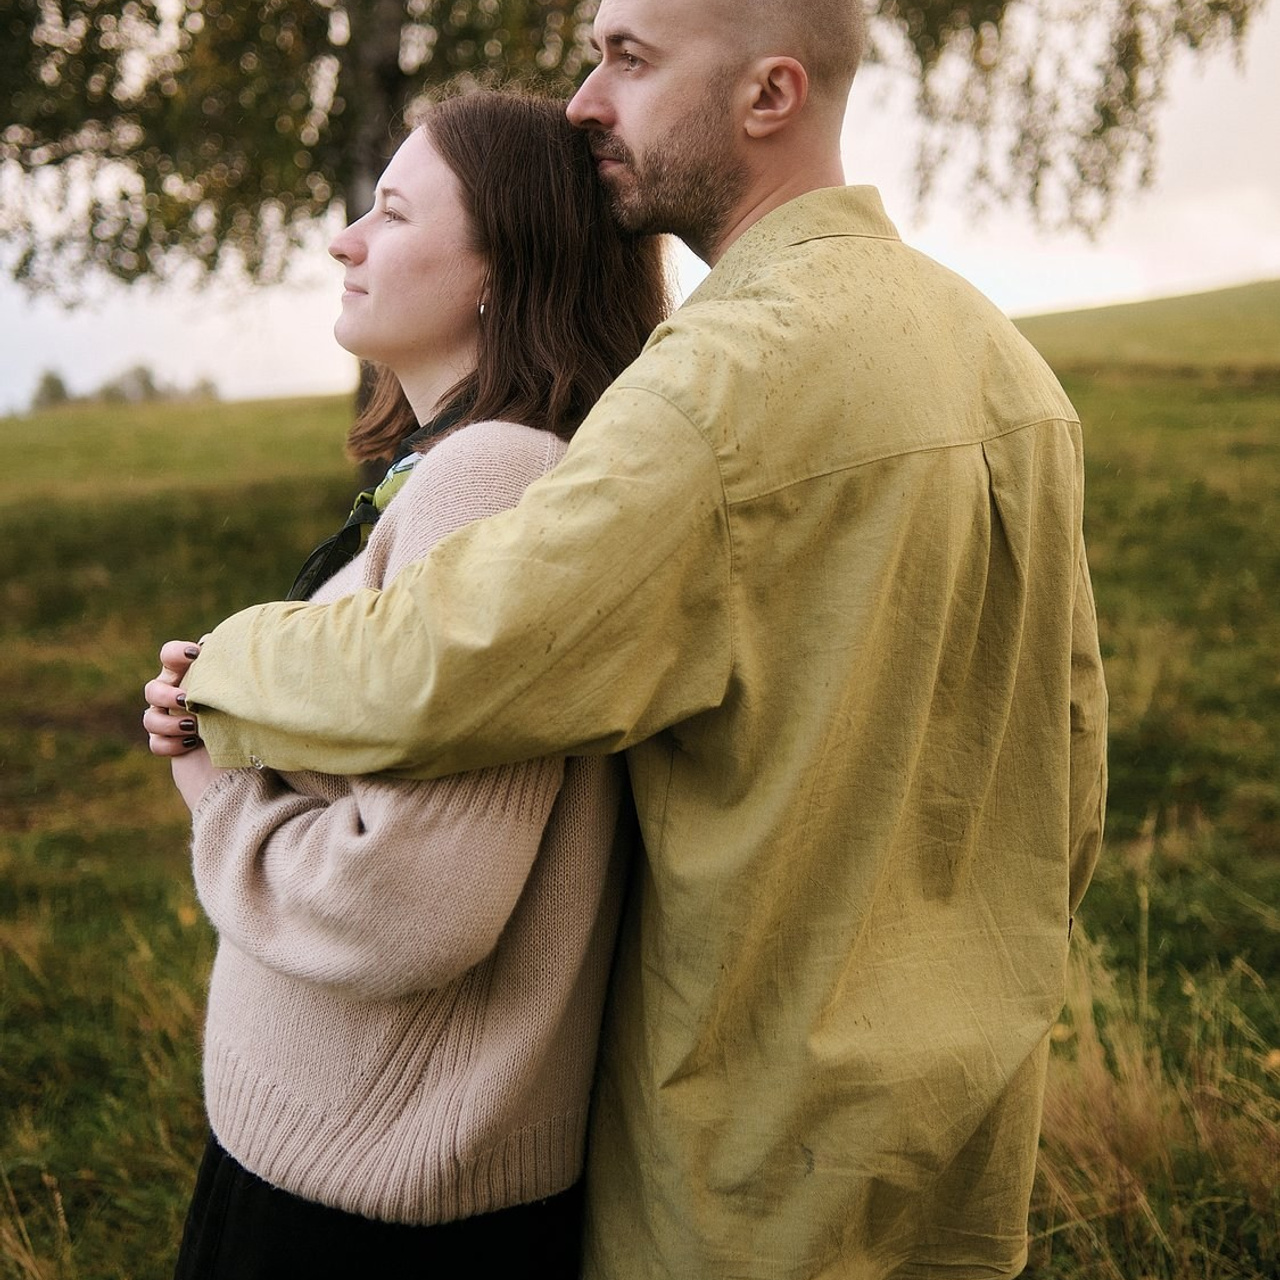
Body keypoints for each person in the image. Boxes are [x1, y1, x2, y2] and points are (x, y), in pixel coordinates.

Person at [148, 1, 1109, 1275]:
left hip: (739, 1155)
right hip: (957, 1134)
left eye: (628, 59)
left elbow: (455, 658)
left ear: (767, 96)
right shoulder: (1009, 370)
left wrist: (221, 671)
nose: (585, 101)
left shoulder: (716, 386)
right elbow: (1071, 760)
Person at [143, 87, 669, 1278]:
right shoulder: (448, 464)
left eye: (389, 211)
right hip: (348, 1161)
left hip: (369, 1206)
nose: (344, 238)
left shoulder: (492, 475)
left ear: (503, 267)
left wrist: (213, 783)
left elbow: (413, 899)